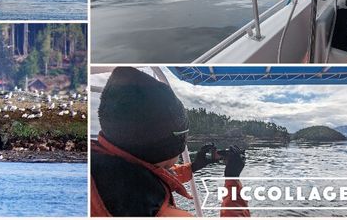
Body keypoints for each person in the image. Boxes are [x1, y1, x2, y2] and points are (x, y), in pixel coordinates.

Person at [90, 67, 249, 217]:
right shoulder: (157, 212)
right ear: (175, 143)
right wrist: (232, 180)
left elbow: (149, 175)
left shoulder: (97, 167)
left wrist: (194, 166)